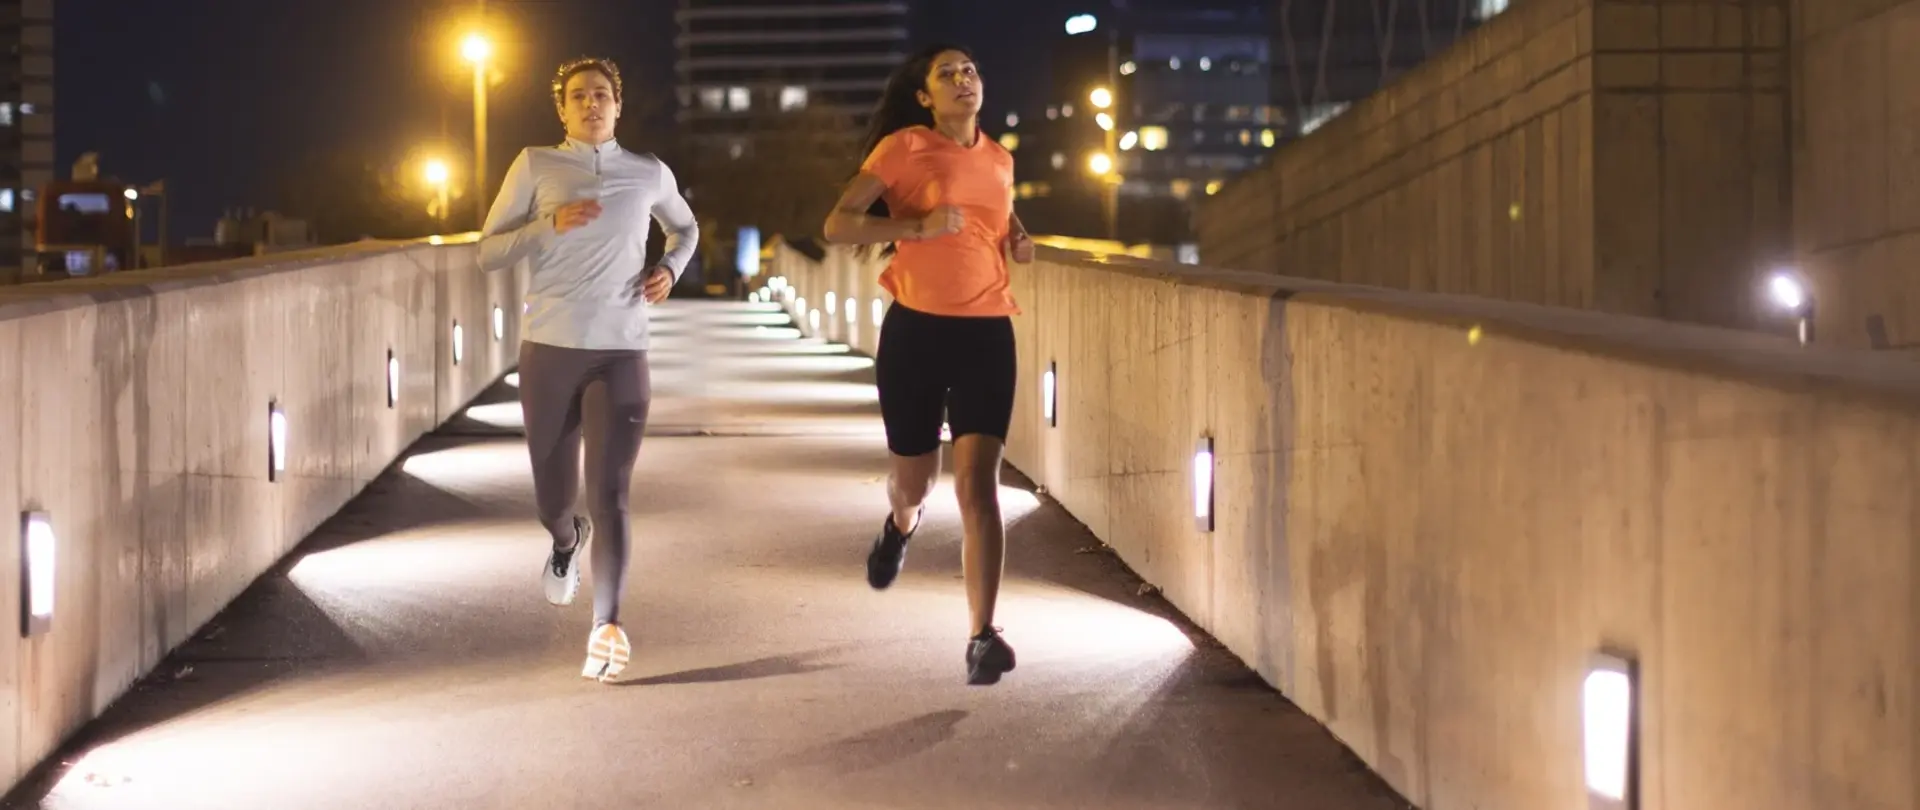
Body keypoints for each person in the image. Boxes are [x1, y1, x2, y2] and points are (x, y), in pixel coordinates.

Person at [476, 56, 699, 683]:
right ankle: (564, 540)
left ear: (618, 106)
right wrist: (547, 225)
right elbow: (488, 252)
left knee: (611, 493)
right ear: (562, 109)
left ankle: (607, 625)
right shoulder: (535, 165)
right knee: (553, 499)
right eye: (579, 96)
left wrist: (670, 269)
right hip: (549, 349)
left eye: (602, 94)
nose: (591, 104)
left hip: (621, 351)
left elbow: (685, 229)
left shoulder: (648, 171)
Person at [822, 44, 1035, 686]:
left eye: (970, 69)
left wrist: (1017, 235)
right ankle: (900, 525)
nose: (962, 79)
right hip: (916, 332)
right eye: (947, 73)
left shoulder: (1000, 157)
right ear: (924, 97)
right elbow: (837, 225)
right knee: (915, 482)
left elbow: (993, 209)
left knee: (978, 486)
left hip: (987, 333)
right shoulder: (904, 148)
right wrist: (916, 228)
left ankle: (982, 635)